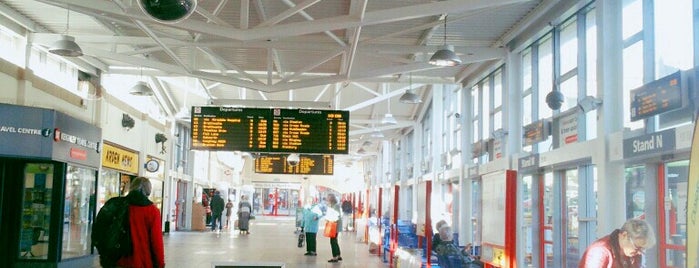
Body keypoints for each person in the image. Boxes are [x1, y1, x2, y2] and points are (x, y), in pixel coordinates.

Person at [116, 177, 165, 268]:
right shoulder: (152, 211)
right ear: (148, 190)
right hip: (142, 261)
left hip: (120, 260)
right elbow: (156, 241)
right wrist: (160, 263)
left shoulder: (119, 205)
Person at [578, 218, 656, 268]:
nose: (639, 252)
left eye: (642, 249)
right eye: (636, 247)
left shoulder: (633, 254)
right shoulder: (600, 252)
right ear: (624, 235)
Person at [325, 193, 343, 263]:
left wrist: (329, 219)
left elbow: (336, 215)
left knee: (333, 241)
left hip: (334, 226)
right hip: (334, 225)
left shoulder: (335, 206)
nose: (327, 199)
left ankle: (335, 257)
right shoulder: (333, 205)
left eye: (328, 198)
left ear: (331, 199)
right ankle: (338, 255)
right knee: (335, 240)